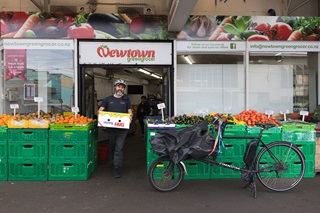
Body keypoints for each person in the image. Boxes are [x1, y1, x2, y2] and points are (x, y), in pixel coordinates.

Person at [98, 79, 132, 178]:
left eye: (122, 87)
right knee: (112, 146)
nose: (120, 89)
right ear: (115, 87)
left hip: (122, 129)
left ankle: (117, 168)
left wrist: (130, 116)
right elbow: (100, 111)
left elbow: (130, 111)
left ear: (124, 89)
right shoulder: (108, 99)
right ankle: (114, 162)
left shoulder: (126, 100)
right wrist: (100, 115)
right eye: (118, 86)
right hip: (111, 128)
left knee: (119, 147)